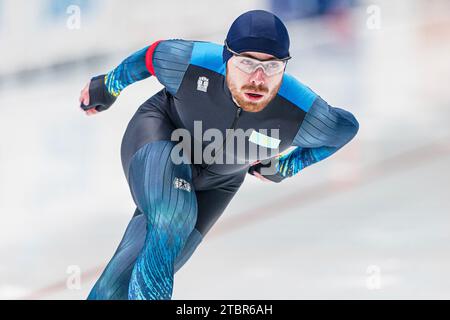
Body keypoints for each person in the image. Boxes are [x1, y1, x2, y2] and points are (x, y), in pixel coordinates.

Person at [79, 10, 359, 300]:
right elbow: (150, 56)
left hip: (219, 183)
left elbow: (346, 129)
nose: (258, 78)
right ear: (227, 58)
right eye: (247, 63)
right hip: (163, 135)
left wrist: (287, 167)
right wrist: (109, 86)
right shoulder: (191, 62)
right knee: (174, 215)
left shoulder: (300, 113)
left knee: (122, 280)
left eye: (272, 67)